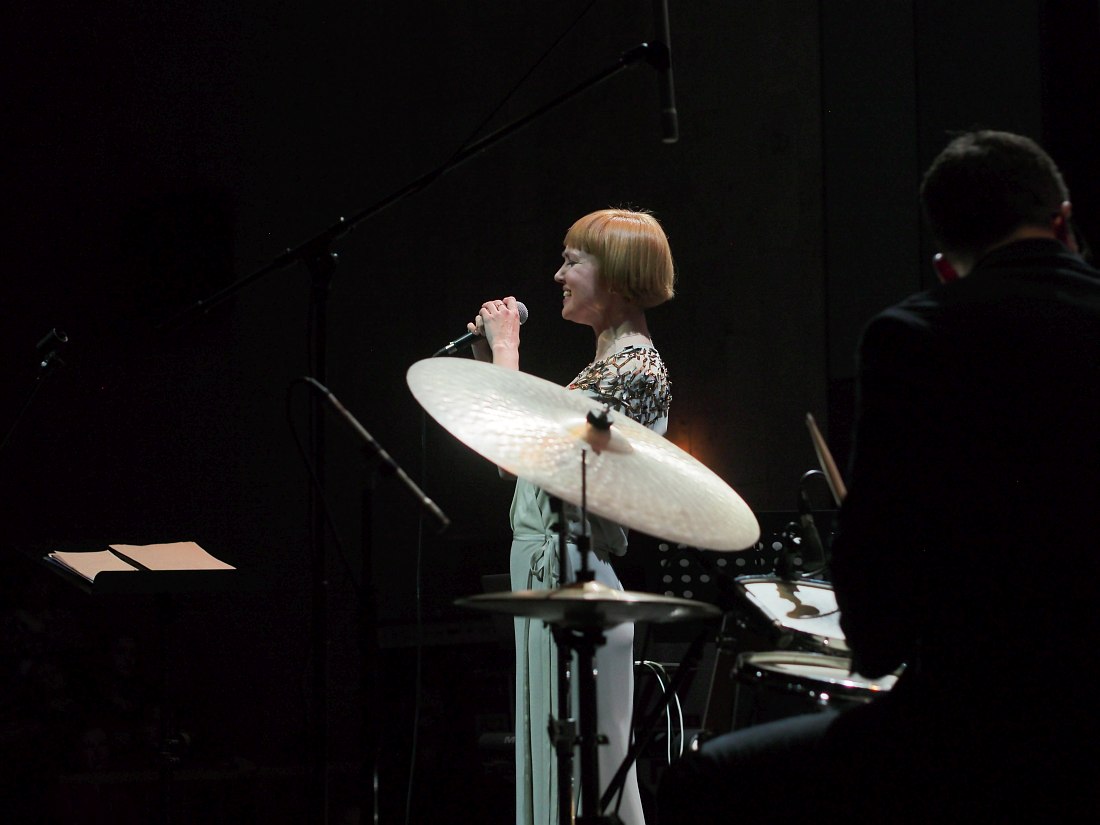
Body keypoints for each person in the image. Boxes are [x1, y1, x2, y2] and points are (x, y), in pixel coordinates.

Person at [657, 130, 1100, 822]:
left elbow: (878, 591)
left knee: (709, 781)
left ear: (946, 265)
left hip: (976, 726)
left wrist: (878, 638)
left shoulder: (914, 337)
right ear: (1065, 222)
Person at [470, 208, 676, 825]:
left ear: (614, 274)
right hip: (549, 568)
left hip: (579, 574)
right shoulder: (601, 367)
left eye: (572, 260)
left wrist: (507, 349)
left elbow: (537, 452)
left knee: (599, 777)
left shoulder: (637, 367)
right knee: (558, 765)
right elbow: (518, 464)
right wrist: (492, 361)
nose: (559, 273)